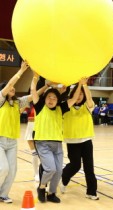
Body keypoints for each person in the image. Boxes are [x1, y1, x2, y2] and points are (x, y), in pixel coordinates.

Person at [31, 71, 82, 203]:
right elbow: (33, 91)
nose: (51, 100)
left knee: (58, 171)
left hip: (57, 144)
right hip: (43, 143)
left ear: (57, 100)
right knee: (50, 169)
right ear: (45, 98)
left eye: (54, 98)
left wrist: (81, 84)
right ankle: (42, 188)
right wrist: (35, 77)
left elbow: (74, 99)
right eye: (49, 97)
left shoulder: (61, 108)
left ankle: (52, 193)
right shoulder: (40, 106)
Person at [61, 80, 99, 200]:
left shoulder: (87, 107)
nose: (79, 96)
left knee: (89, 167)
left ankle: (91, 192)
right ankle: (63, 179)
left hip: (86, 140)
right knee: (75, 165)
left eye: (81, 95)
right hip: (72, 141)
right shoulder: (66, 106)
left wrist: (84, 85)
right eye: (77, 94)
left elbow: (89, 97)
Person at [0, 61, 31, 203]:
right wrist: (21, 71)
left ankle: (3, 194)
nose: (12, 88)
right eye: (9, 87)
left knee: (12, 171)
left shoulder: (18, 103)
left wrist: (46, 85)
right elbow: (8, 86)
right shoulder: (1, 100)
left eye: (13, 87)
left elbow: (32, 96)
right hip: (0, 140)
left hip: (12, 142)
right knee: (3, 168)